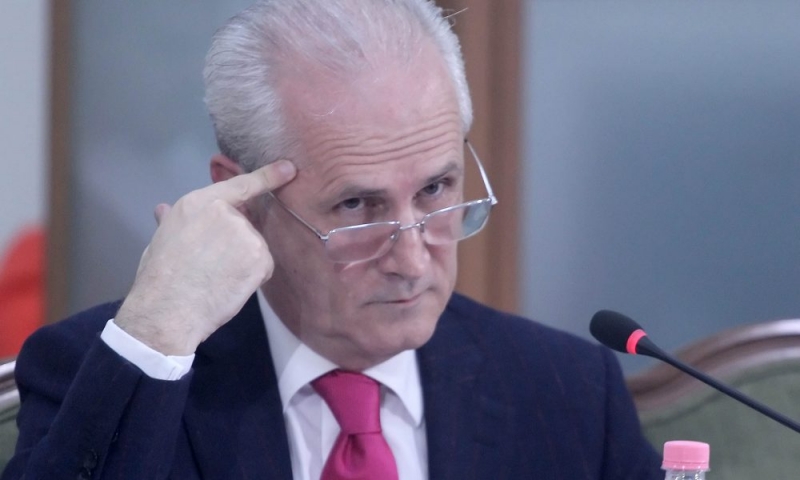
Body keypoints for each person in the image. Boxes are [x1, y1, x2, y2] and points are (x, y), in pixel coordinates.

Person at [2, 1, 663, 478]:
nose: (411, 261)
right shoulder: (102, 375)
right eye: (358, 206)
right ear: (244, 199)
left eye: (435, 190)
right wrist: (158, 329)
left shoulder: (569, 392)